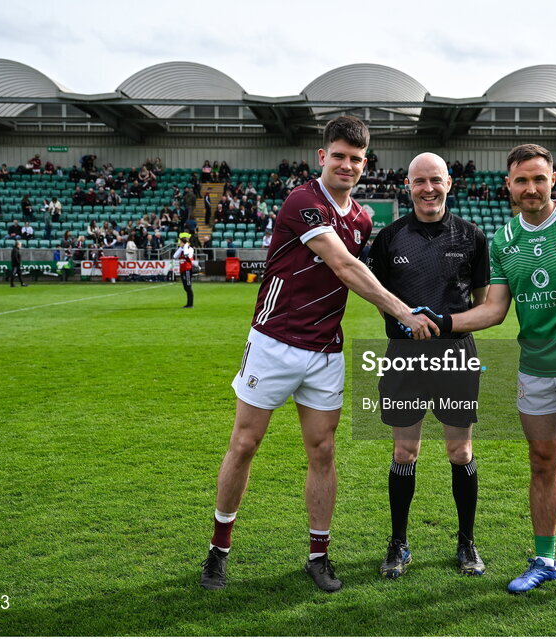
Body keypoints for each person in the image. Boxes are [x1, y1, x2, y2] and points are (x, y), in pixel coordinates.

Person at [199, 116, 437, 593]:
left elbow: (370, 268)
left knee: (323, 451)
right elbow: (346, 267)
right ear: (321, 156)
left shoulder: (364, 218)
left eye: (356, 159)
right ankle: (218, 550)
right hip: (274, 343)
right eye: (339, 156)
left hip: (326, 351)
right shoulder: (303, 202)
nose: (347, 165)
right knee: (244, 444)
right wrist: (404, 312)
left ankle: (318, 555)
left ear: (364, 164)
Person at [439, 144, 556, 603]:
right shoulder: (504, 240)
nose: (530, 188)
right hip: (536, 371)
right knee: (543, 464)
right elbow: (495, 310)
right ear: (509, 185)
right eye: (521, 180)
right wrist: (442, 322)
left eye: (538, 179)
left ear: (552, 181)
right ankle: (544, 560)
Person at [369, 153, 490, 580]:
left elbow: (483, 305)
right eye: (420, 181)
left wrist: (446, 325)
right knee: (405, 451)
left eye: (435, 180)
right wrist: (404, 320)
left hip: (456, 355)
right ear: (408, 185)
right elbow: (377, 295)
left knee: (460, 452)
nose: (428, 188)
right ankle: (398, 542)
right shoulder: (388, 238)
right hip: (404, 358)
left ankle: (466, 541)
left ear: (449, 183)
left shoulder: (472, 237)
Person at [174, 234, 194, 308]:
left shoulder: (190, 249)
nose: (180, 243)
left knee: (188, 287)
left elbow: (186, 254)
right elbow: (175, 256)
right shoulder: (181, 249)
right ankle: (188, 304)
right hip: (182, 270)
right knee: (185, 287)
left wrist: (185, 246)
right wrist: (180, 248)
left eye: (181, 242)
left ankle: (190, 304)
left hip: (187, 270)